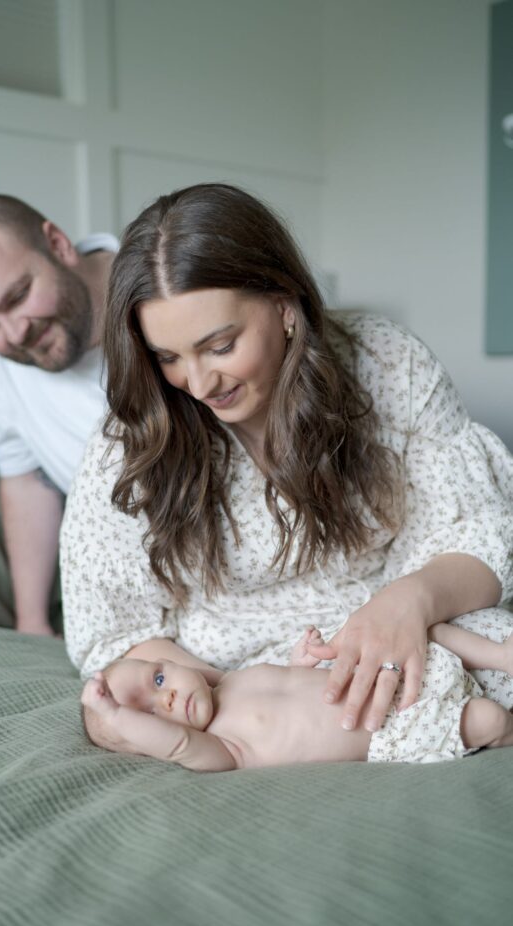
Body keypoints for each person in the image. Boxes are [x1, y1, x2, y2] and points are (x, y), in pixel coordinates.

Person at [61, 183, 513, 733]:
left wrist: (408, 601)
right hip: (228, 680)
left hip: (401, 624)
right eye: (168, 357)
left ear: (284, 306)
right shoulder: (134, 434)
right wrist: (256, 692)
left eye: (221, 346)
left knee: (492, 647)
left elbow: (477, 529)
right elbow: (112, 630)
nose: (199, 384)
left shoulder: (387, 361)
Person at [0, 194, 118, 636]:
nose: (15, 334)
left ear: (57, 244)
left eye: (18, 296)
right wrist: (32, 622)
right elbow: (26, 478)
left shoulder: (169, 290)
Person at [80, 622, 513, 770]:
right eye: (152, 715)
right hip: (392, 729)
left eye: (158, 681)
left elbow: (286, 684)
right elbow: (174, 744)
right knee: (487, 718)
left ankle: (501, 656)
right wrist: (115, 716)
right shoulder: (221, 749)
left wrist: (301, 658)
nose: (169, 699)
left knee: (426, 631)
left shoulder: (232, 679)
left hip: (383, 678)